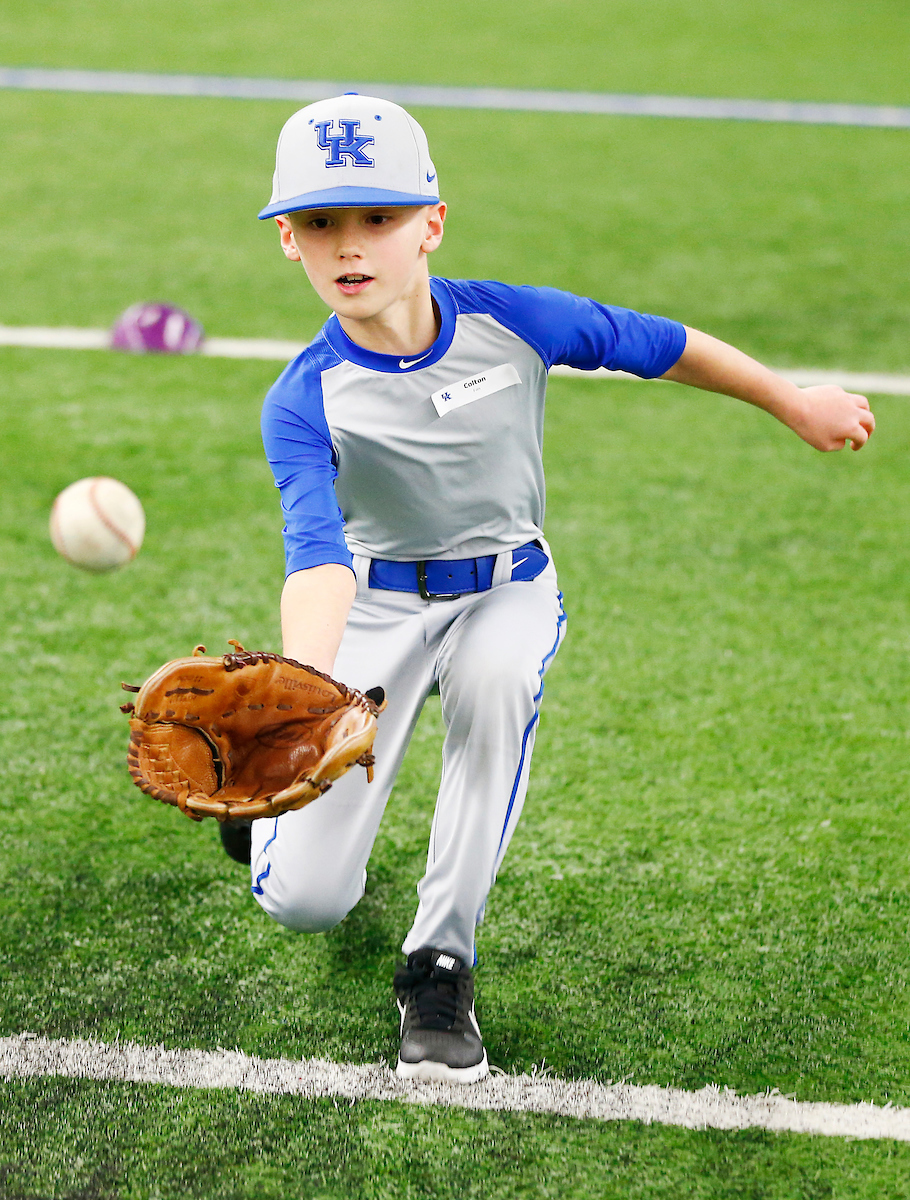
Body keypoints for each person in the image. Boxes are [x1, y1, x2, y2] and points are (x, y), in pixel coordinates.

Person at [222, 93, 875, 1084]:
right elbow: (315, 557)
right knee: (308, 902)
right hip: (377, 606)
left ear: (431, 223)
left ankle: (438, 965)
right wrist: (303, 686)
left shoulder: (512, 321)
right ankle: (260, 823)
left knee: (495, 689)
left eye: (376, 218)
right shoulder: (302, 397)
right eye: (318, 222)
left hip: (504, 589)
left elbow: (659, 343)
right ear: (286, 240)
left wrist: (794, 401)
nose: (348, 246)